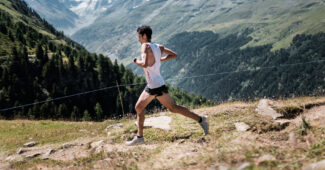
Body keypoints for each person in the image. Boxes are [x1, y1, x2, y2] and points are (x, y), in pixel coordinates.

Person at [125, 25, 208, 146]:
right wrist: (160, 59)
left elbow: (144, 64)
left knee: (141, 107)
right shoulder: (159, 46)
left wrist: (135, 60)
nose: (138, 39)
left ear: (143, 36)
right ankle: (201, 120)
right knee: (171, 108)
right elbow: (174, 55)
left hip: (154, 86)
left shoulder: (144, 46)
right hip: (156, 84)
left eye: (139, 37)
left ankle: (140, 138)